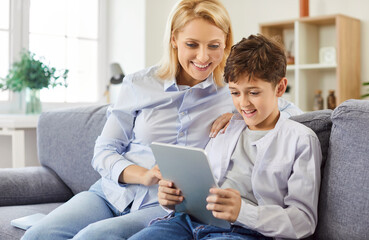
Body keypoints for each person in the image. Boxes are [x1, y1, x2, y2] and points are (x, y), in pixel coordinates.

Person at [22, 1, 302, 239]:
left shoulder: (231, 91)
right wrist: (142, 175)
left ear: (226, 44)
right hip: (110, 193)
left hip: (165, 205)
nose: (203, 57)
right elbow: (104, 151)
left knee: (92, 237)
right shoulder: (138, 84)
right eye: (192, 44)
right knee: (37, 235)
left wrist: (236, 116)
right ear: (173, 40)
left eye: (214, 46)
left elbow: (290, 112)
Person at [129, 34, 322, 240]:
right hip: (187, 222)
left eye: (254, 93)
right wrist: (171, 200)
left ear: (280, 88)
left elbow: (303, 221)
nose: (243, 103)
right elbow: (202, 185)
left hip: (245, 231)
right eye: (235, 93)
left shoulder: (301, 140)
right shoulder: (226, 128)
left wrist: (243, 212)